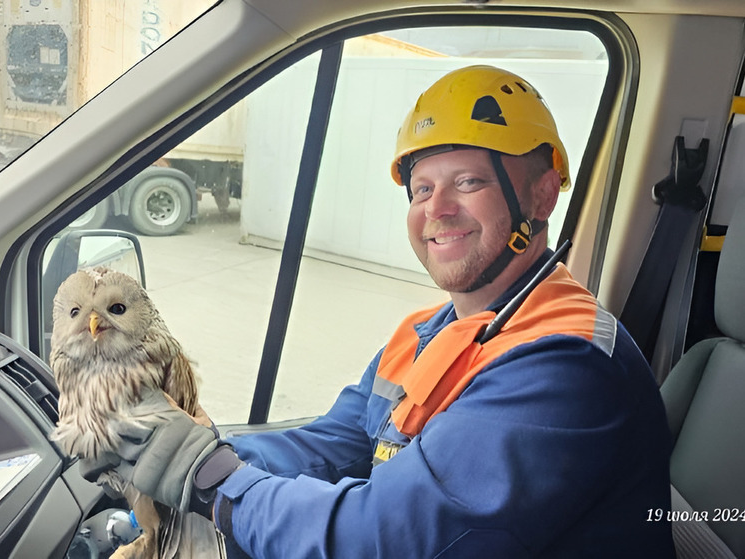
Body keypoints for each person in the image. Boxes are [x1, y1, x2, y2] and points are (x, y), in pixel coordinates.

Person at [82, 65, 675, 558]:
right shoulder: (425, 333)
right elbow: (335, 446)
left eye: (468, 181)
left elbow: (381, 539)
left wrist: (212, 481)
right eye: (421, 189)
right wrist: (184, 448)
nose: (436, 209)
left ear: (542, 195)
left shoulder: (565, 365)